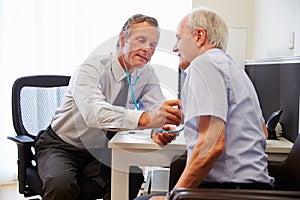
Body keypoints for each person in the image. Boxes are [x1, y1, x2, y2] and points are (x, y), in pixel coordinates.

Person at [35, 14, 182, 200]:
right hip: (62, 145)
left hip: (99, 151)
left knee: (133, 176)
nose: (147, 49)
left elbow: (156, 109)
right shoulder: (91, 67)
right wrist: (145, 118)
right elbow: (94, 114)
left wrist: (160, 128)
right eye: (141, 40)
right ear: (123, 38)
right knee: (61, 185)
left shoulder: (145, 73)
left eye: (152, 45)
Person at [134, 7, 274, 200]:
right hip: (254, 188)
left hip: (229, 191)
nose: (175, 47)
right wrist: (190, 118)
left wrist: (172, 198)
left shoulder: (203, 64)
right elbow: (262, 132)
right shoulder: (234, 68)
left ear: (199, 36)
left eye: (178, 38)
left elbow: (212, 145)